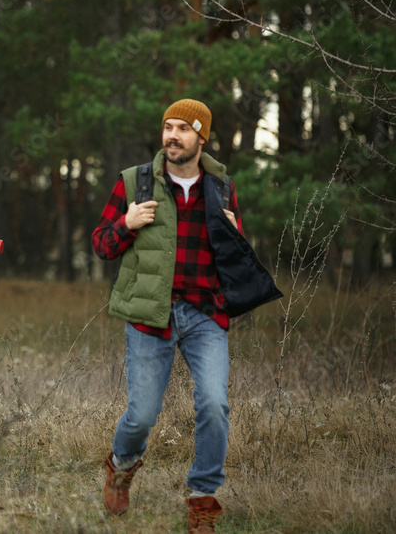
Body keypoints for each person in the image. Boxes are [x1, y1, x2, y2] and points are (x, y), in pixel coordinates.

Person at [92, 99, 280, 533]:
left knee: (214, 403)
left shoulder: (221, 187)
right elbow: (101, 245)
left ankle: (202, 497)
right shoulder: (134, 181)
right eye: (168, 127)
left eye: (182, 128)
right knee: (142, 414)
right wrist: (127, 223)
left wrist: (235, 233)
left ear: (202, 137)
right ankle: (122, 465)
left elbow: (235, 256)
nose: (172, 136)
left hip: (204, 312)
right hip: (149, 314)